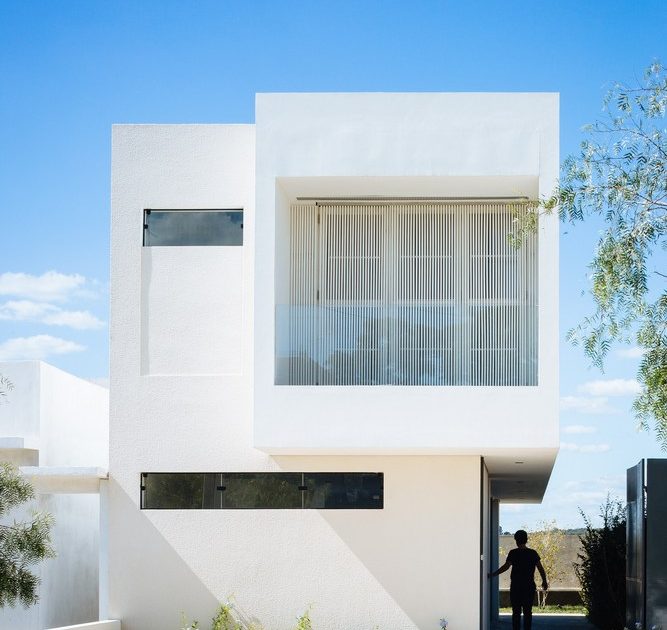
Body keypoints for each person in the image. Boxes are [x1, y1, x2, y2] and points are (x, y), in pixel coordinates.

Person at [488, 529, 548, 630]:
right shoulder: (533, 553)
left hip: (516, 586)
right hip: (529, 586)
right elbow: (540, 568)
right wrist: (544, 581)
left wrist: (493, 574)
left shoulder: (513, 553)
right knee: (528, 612)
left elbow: (506, 567)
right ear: (526, 540)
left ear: (516, 540)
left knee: (516, 612)